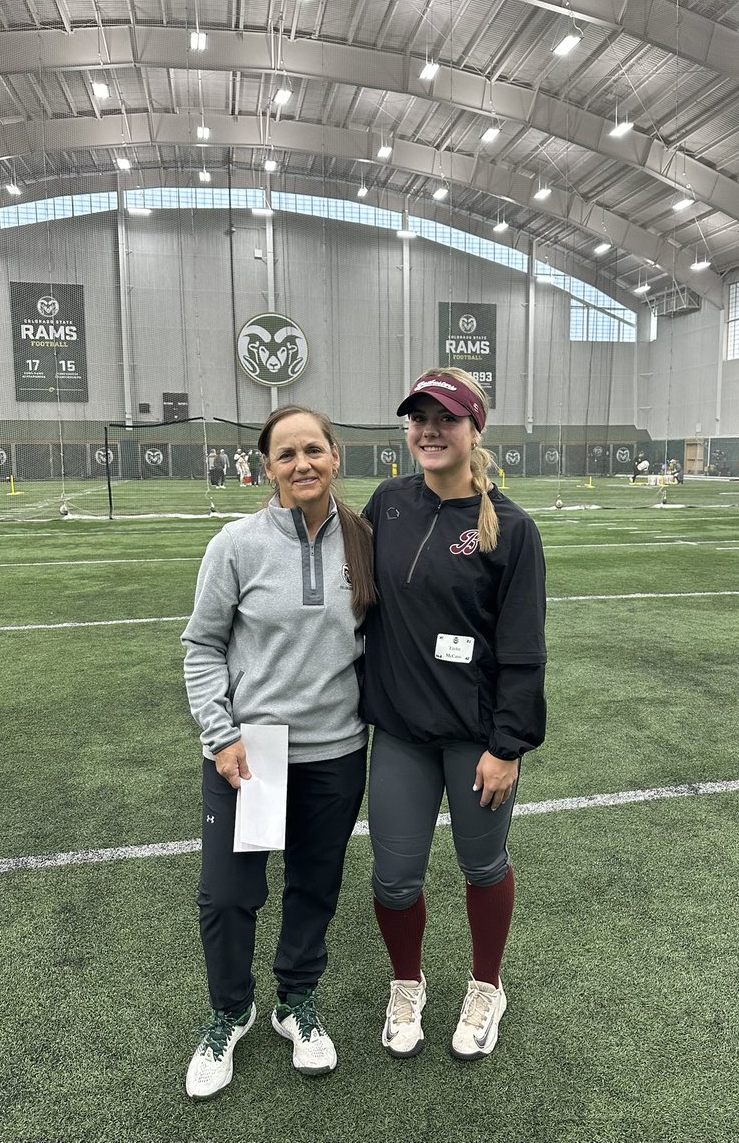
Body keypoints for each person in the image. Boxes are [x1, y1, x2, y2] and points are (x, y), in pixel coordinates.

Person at [181, 405, 376, 1097]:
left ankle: (296, 1003)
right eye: (287, 454)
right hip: (250, 752)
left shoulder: (363, 538)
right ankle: (231, 1011)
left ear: (335, 458)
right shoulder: (235, 543)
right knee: (229, 896)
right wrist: (221, 734)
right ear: (266, 467)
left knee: (314, 886)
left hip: (337, 752)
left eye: (314, 450)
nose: (303, 464)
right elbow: (201, 646)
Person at [361, 367, 547, 1062]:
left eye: (445, 419)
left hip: (478, 742)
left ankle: (485, 985)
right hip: (403, 736)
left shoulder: (512, 529)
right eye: (418, 419)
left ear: (476, 429)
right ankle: (407, 982)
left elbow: (525, 651)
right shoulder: (388, 502)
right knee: (393, 878)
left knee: (482, 865)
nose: (430, 431)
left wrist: (508, 746)